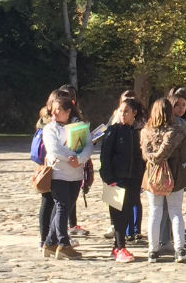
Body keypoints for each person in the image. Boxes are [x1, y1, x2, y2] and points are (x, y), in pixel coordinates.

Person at [41, 92, 94, 260]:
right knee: (62, 207)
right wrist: (71, 157)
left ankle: (50, 243)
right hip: (58, 173)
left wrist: (80, 159)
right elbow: (54, 149)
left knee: (66, 208)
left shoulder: (79, 126)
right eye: (54, 110)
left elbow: (88, 145)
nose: (55, 113)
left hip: (75, 174)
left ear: (68, 111)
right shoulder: (50, 128)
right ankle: (64, 244)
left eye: (59, 110)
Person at [141, 98, 186, 262]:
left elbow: (145, 154)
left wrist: (154, 158)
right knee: (175, 211)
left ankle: (153, 250)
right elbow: (185, 154)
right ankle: (179, 250)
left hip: (153, 175)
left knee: (154, 212)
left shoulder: (146, 132)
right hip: (175, 174)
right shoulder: (180, 131)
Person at [100, 97, 142, 263]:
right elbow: (105, 156)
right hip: (115, 179)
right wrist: (108, 177)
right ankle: (120, 247)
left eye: (126, 111)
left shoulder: (137, 132)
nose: (123, 114)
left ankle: (117, 247)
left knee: (126, 213)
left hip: (133, 179)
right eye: (121, 111)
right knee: (117, 214)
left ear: (134, 113)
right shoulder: (113, 130)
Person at [34, 91, 57, 254]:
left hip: (46, 166)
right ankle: (47, 238)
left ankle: (47, 238)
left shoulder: (43, 120)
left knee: (49, 202)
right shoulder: (49, 123)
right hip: (50, 166)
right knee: (50, 202)